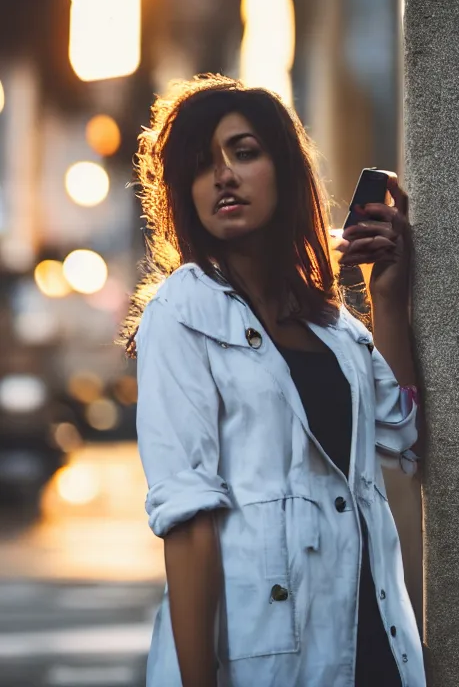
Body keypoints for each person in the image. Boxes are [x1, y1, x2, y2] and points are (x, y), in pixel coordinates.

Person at [124, 74, 425, 687]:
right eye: (203, 164)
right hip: (260, 658)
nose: (223, 176)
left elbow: (405, 437)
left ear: (284, 170)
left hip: (372, 643)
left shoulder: (332, 327)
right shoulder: (184, 311)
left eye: (244, 152)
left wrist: (386, 301)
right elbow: (187, 520)